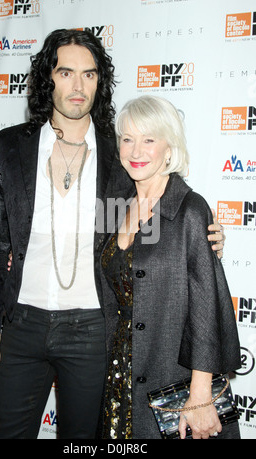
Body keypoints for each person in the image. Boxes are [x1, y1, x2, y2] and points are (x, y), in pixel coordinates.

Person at [0, 29, 225, 439]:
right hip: (21, 322)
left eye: (89, 75)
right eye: (66, 73)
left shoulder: (120, 152)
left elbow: (163, 205)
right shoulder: (10, 147)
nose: (78, 86)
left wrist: (208, 234)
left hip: (93, 328)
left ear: (99, 81)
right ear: (48, 78)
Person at [99, 95, 241, 440]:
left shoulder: (189, 209)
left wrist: (201, 395)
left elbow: (206, 307)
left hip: (170, 377)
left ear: (169, 147)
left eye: (149, 139)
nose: (136, 150)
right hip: (116, 376)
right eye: (127, 139)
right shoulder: (115, 205)